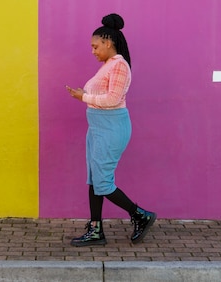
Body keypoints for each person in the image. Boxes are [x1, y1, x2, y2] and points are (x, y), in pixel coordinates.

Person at [65, 13, 156, 246]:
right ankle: (95, 230)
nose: (93, 51)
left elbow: (114, 99)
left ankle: (140, 215)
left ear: (108, 42)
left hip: (111, 126)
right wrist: (86, 96)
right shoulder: (108, 66)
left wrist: (82, 96)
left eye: (95, 46)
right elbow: (102, 95)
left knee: (103, 181)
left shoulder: (120, 66)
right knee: (94, 179)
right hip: (97, 127)